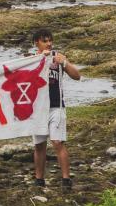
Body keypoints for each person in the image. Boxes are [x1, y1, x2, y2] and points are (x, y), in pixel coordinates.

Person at [30, 27, 81, 189]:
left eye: (50, 40)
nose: (49, 44)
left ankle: (66, 179)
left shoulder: (58, 58)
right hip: (38, 109)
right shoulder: (30, 60)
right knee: (39, 145)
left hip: (56, 107)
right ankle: (39, 180)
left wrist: (64, 63)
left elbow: (77, 76)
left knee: (58, 142)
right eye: (45, 41)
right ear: (36, 43)